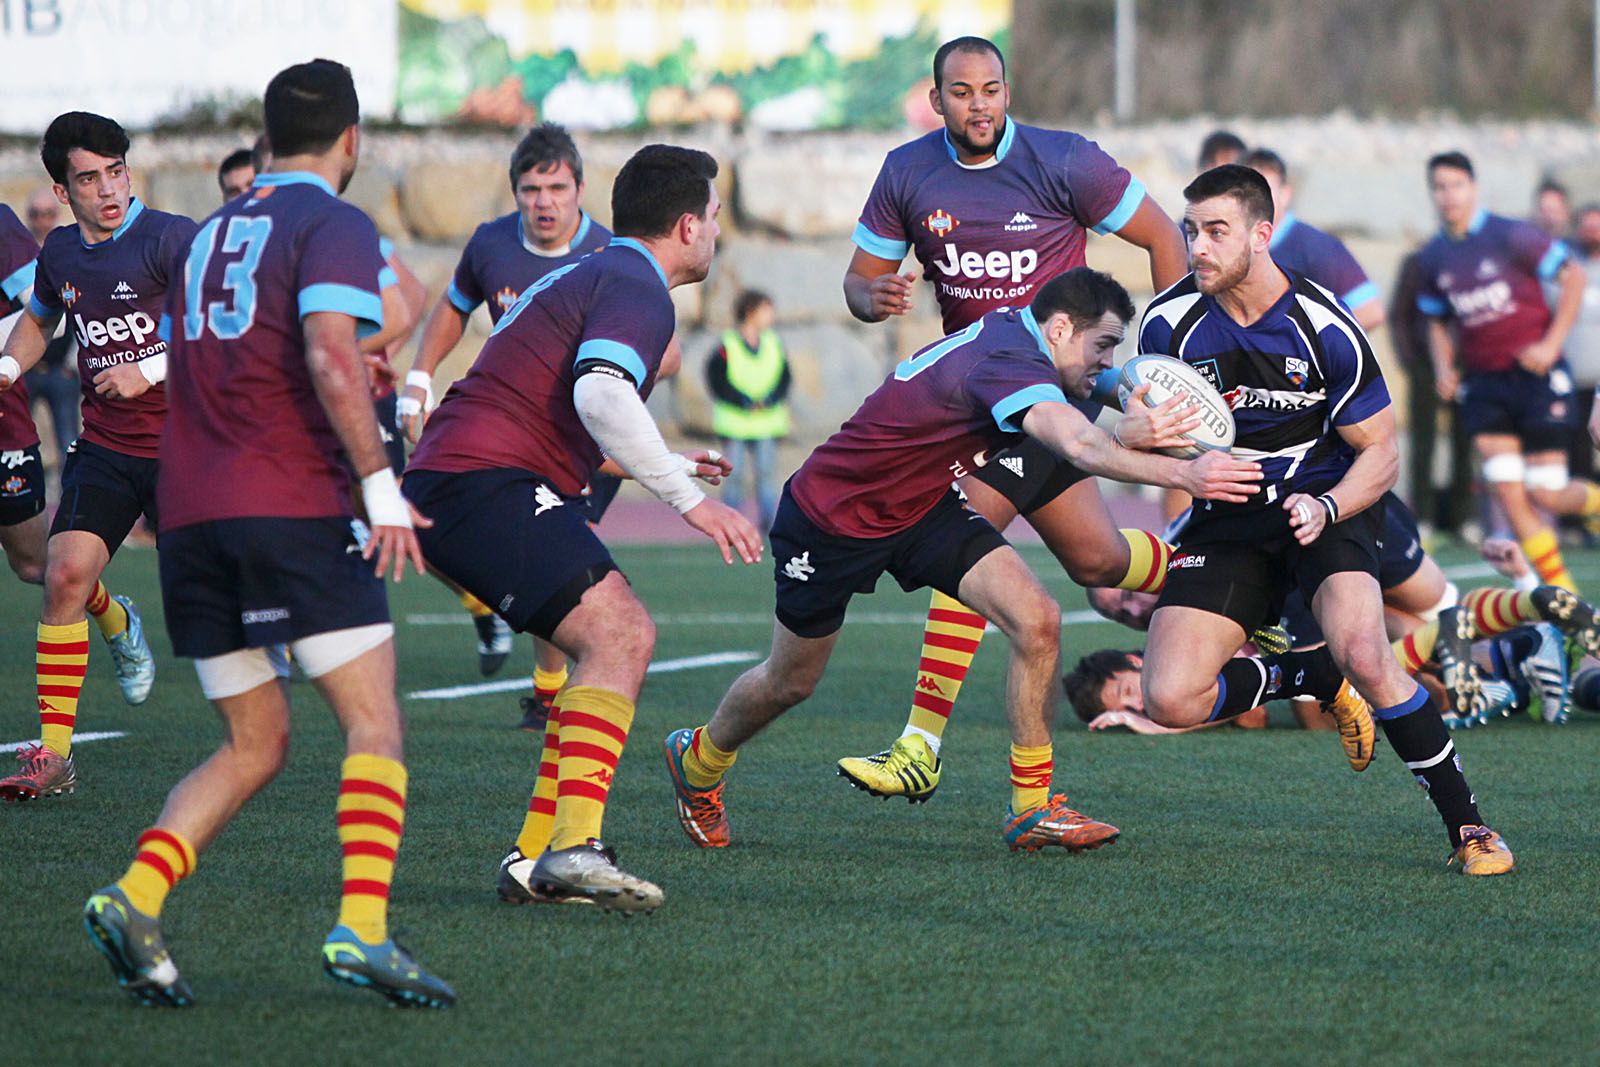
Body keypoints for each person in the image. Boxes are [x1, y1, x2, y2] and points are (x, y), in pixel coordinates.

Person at [82, 59, 454, 1010]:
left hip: (192, 521)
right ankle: (361, 926)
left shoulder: (209, 233)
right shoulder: (331, 220)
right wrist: (378, 484)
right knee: (373, 719)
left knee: (256, 741)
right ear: (352, 141)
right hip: (289, 504)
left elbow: (358, 324)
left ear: (267, 135)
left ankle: (134, 896)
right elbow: (339, 345)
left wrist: (365, 340)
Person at [663, 267, 1262, 853]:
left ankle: (1033, 808)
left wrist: (1143, 398)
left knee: (1037, 619)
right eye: (1102, 345)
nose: (1108, 360)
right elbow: (1078, 444)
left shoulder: (1020, 335)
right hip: (833, 521)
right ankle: (700, 758)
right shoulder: (1008, 364)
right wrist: (1188, 471)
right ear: (1058, 330)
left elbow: (1093, 385)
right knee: (789, 682)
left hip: (925, 509)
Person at [834, 36, 1190, 800]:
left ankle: (920, 744)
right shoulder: (907, 172)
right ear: (938, 102)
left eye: (991, 89)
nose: (980, 104)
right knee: (1097, 562)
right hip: (975, 400)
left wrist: (1172, 356)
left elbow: (1164, 236)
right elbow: (858, 283)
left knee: (968, 536)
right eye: (962, 93)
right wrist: (876, 298)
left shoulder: (1066, 161)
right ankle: (1232, 580)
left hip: (1054, 397)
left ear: (1007, 89)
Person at [404, 143, 757, 911]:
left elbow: (554, 405)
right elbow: (600, 395)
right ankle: (575, 845)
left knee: (595, 643)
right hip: (479, 481)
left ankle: (535, 859)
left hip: (462, 478)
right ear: (689, 225)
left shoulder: (593, 272)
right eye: (718, 217)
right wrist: (689, 500)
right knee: (621, 633)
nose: (719, 232)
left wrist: (660, 458)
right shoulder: (637, 281)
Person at [1135, 163, 1513, 875]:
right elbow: (1146, 429)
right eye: (1191, 232)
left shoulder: (1324, 326)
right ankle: (1304, 674)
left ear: (1262, 233)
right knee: (1169, 698)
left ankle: (1471, 828)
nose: (1198, 248)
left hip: (1327, 502)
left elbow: (1384, 453)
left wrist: (1329, 503)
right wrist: (1153, 447)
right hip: (1229, 517)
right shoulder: (1168, 322)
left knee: (1369, 653)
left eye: (1216, 231)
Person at [0, 112, 194, 802]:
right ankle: (54, 755)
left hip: (188, 448)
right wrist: (7, 365)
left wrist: (150, 369)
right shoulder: (59, 253)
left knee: (220, 598)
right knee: (61, 573)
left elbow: (220, 325)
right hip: (108, 446)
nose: (109, 189)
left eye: (117, 170)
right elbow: (40, 318)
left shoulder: (172, 237)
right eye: (89, 177)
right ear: (61, 188)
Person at [401, 123, 614, 723]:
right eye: (530, 189)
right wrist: (419, 377)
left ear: (579, 187)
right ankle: (493, 618)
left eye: (556, 187)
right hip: (512, 428)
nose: (544, 201)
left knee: (560, 557)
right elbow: (453, 306)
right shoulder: (491, 245)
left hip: (582, 432)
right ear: (514, 191)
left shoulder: (610, 253)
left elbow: (663, 343)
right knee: (420, 519)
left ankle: (551, 692)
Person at [1417, 151, 1596, 591]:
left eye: (1456, 185)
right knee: (1510, 495)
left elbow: (1572, 277)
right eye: (1440, 187)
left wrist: (1551, 344)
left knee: (1546, 494)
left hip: (1536, 379)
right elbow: (1437, 320)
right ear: (1432, 193)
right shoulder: (1433, 256)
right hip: (1484, 386)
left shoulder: (1511, 235)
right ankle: (1563, 599)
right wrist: (1445, 367)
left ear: (1473, 188)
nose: (1448, 195)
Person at [1239, 147, 1385, 331]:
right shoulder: (1229, 249)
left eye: (1264, 189)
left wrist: (1309, 347)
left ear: (1285, 194)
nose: (1254, 200)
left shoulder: (1317, 248)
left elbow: (1370, 311)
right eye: (1245, 192)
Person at [705, 288, 790, 529]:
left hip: (766, 422)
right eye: (766, 310)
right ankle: (731, 522)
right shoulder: (728, 344)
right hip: (735, 423)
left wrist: (771, 399)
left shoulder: (774, 342)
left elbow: (785, 376)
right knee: (734, 477)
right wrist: (741, 400)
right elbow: (716, 379)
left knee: (766, 475)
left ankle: (769, 524)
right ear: (751, 312)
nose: (771, 316)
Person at [0, 204, 48, 586]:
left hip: (5, 431)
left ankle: (115, 617)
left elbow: (52, 318)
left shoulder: (1, 225)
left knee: (35, 565)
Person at [21, 186, 79, 471]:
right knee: (16, 443)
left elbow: (82, 311)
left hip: (61, 369)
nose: (42, 220)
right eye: (36, 214)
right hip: (26, 368)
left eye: (48, 214)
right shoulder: (18, 259)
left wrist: (72, 362)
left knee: (69, 440)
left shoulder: (68, 254)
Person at [1562, 204, 1600, 489]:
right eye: (1586, 226)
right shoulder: (1569, 268)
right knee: (1576, 448)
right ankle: (1581, 519)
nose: (1592, 233)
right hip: (1573, 377)